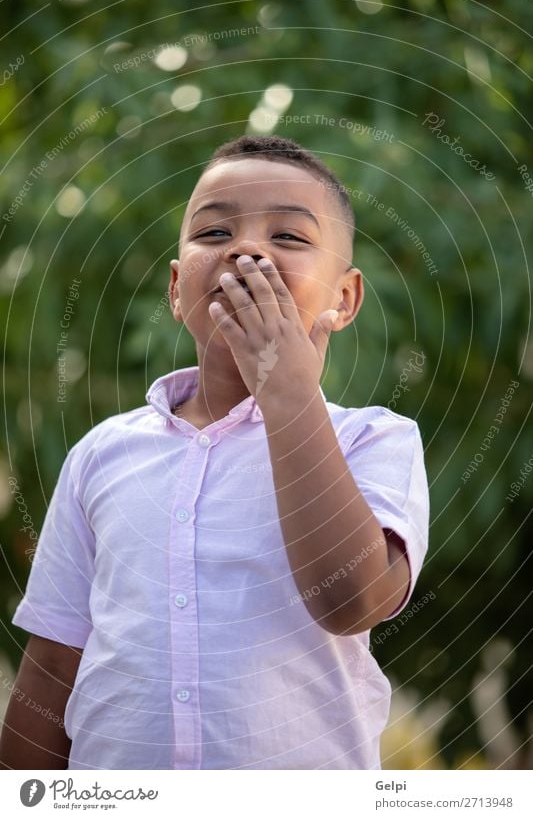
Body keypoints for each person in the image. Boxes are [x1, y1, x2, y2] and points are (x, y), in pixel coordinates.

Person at [0, 135, 429, 770]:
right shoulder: (102, 456)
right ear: (177, 291)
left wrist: (286, 391)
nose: (247, 248)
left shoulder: (374, 440)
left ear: (344, 299)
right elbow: (54, 666)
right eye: (214, 231)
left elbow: (352, 602)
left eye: (288, 237)